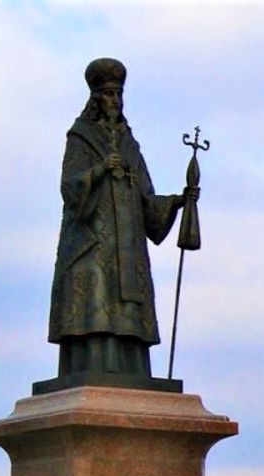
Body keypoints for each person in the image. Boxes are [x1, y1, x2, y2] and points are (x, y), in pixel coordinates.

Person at [47, 58, 197, 383]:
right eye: (109, 94)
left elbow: (146, 198)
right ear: (95, 98)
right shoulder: (80, 137)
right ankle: (91, 368)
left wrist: (177, 202)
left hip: (128, 246)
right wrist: (99, 170)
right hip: (92, 244)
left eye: (118, 94)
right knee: (94, 301)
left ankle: (130, 369)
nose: (115, 100)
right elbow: (69, 188)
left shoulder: (130, 143)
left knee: (128, 309)